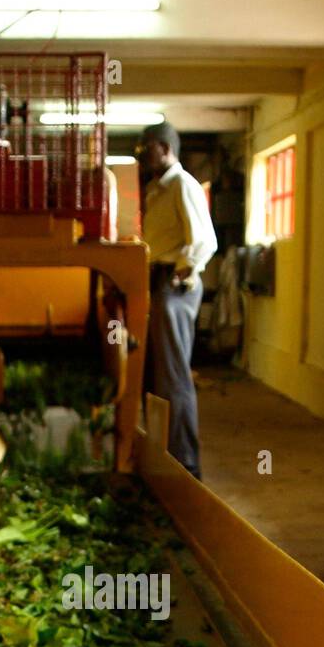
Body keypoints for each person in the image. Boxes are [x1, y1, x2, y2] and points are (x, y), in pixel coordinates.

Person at [135, 122, 217, 479]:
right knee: (152, 376)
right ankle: (161, 456)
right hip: (156, 279)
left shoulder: (183, 185)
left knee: (173, 378)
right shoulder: (157, 188)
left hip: (173, 284)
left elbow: (203, 240)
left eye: (148, 147)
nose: (143, 153)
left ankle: (186, 465)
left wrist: (182, 271)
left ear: (165, 148)